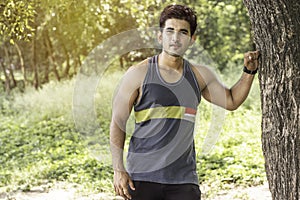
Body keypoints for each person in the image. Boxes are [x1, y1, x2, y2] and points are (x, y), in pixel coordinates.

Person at [110, 4, 259, 200]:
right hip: (142, 177)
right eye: (170, 30)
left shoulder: (199, 75)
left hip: (183, 179)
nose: (175, 37)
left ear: (191, 40)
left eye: (183, 32)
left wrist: (249, 72)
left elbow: (231, 100)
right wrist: (118, 170)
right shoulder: (138, 73)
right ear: (160, 36)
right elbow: (117, 122)